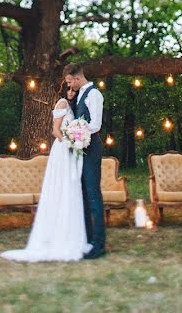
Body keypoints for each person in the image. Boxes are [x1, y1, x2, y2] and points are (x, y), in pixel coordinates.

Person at [0, 82, 92, 262]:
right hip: (62, 150)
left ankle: (70, 234)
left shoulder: (73, 107)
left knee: (71, 189)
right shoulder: (62, 104)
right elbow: (55, 130)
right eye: (69, 89)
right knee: (62, 187)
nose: (72, 93)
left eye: (74, 90)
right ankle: (56, 237)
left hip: (70, 151)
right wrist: (72, 142)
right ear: (63, 89)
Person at [63, 63, 106, 259]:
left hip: (91, 147)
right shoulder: (79, 94)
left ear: (78, 78)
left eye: (70, 82)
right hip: (80, 146)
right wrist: (71, 102)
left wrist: (76, 132)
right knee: (82, 193)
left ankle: (99, 244)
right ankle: (87, 240)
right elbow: (78, 117)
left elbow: (95, 124)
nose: (69, 86)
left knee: (93, 193)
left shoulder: (94, 94)